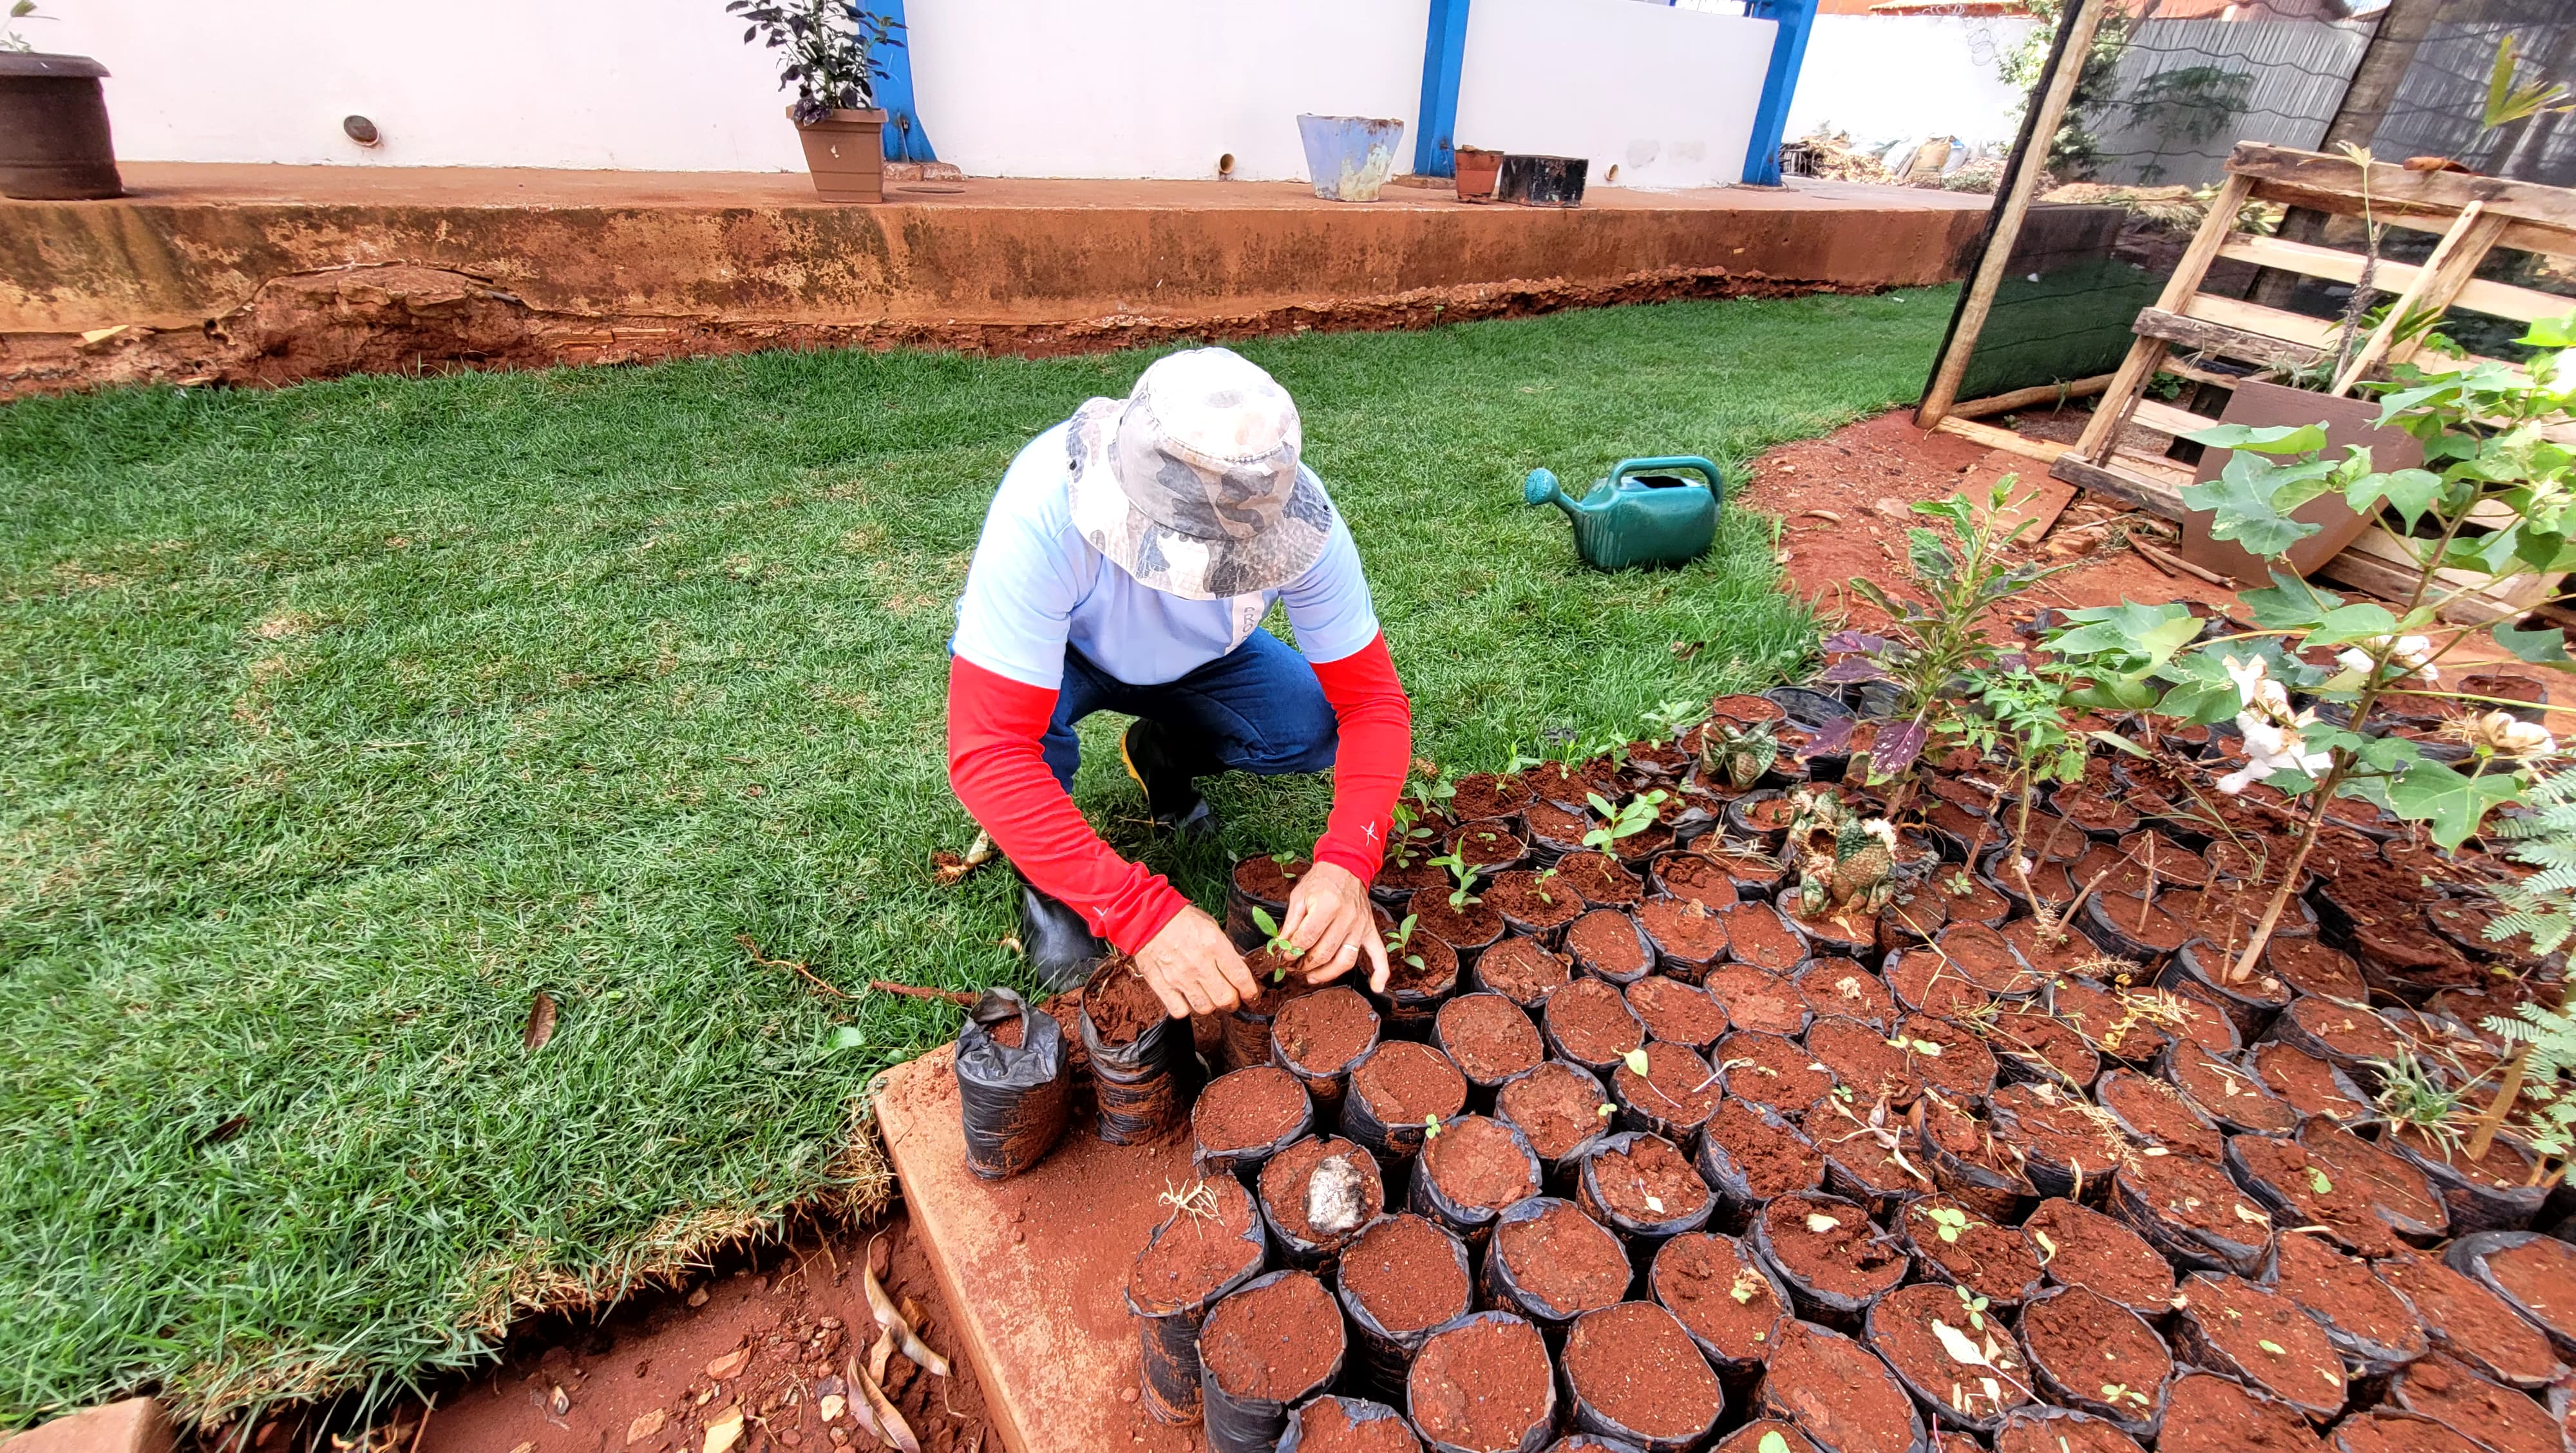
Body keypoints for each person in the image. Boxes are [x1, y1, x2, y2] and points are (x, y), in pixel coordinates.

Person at [945, 347, 1414, 1020]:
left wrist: (1348, 863)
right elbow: (989, 749)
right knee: (1026, 748)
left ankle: (1163, 750)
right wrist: (1138, 914)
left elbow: (1370, 703)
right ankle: (1054, 886)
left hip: (1204, 660)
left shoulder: (1302, 521)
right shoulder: (1045, 507)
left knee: (1308, 726)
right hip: (1059, 658)